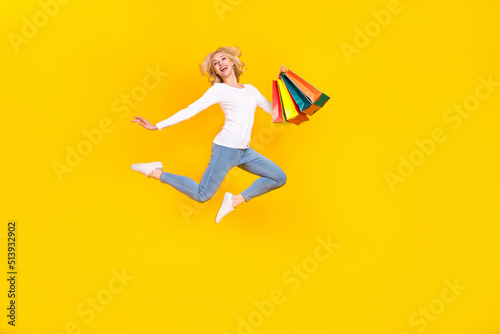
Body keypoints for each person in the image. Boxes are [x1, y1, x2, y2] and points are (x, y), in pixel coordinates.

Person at [130, 46, 287, 223]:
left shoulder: (250, 90)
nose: (220, 63)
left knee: (279, 177)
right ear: (215, 71)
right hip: (226, 149)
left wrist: (285, 82)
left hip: (244, 151)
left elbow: (276, 113)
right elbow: (190, 111)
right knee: (202, 194)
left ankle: (235, 200)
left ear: (232, 61)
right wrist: (157, 126)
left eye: (223, 59)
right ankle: (154, 171)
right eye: (215, 63)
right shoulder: (218, 90)